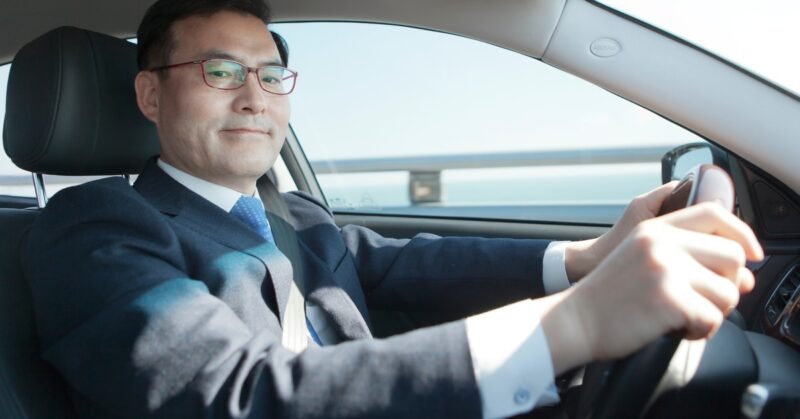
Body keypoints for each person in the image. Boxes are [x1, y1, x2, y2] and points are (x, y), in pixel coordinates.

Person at [22, 0, 763, 418]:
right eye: (219, 71)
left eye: (271, 74)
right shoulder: (93, 228)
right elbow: (233, 397)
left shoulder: (297, 215)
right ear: (151, 96)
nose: (253, 95)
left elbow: (406, 265)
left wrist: (585, 259)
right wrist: (573, 323)